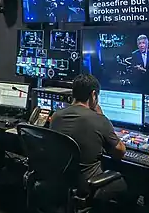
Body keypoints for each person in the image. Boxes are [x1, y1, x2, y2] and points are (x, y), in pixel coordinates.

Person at [49, 74, 127, 204]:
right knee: (127, 185)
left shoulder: (56, 116)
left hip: (61, 181)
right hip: (89, 185)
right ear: (93, 95)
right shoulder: (99, 119)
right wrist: (101, 116)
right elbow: (120, 152)